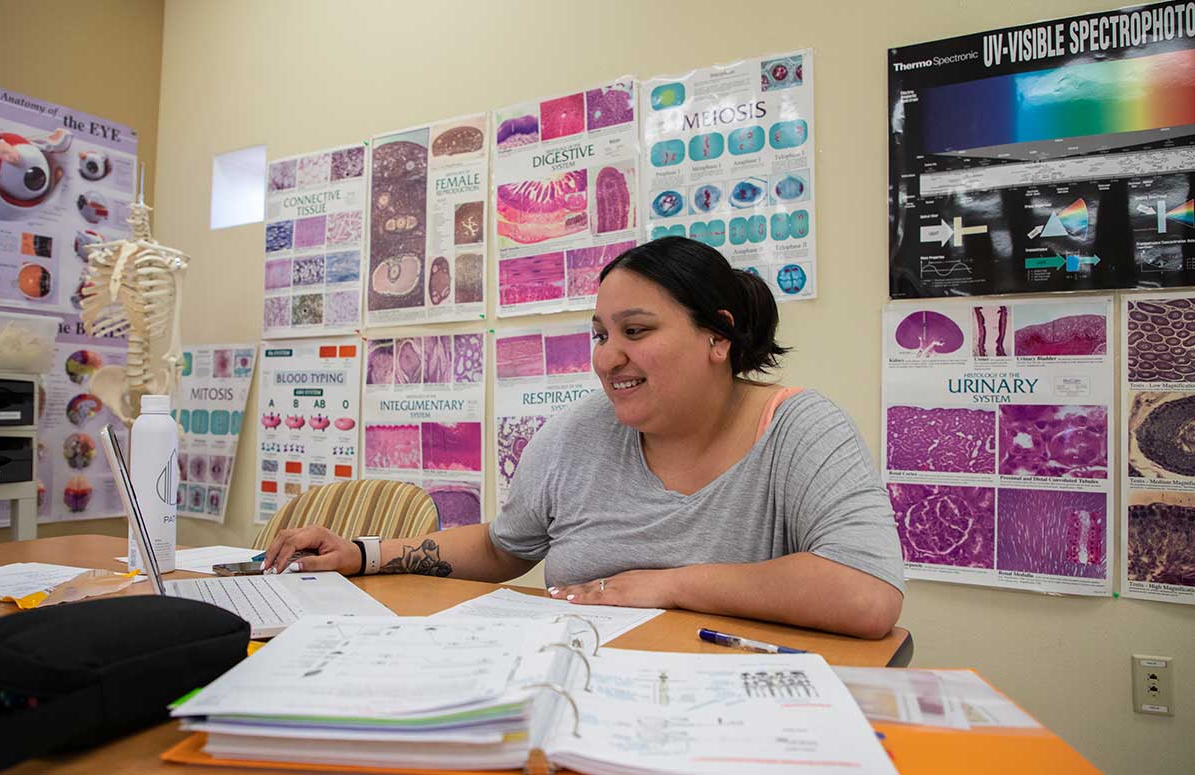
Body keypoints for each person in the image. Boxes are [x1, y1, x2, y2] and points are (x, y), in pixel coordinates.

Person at [265, 236, 905, 639]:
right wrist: (363, 552)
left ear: (719, 337)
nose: (607, 359)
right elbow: (500, 548)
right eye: (600, 335)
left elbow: (866, 593)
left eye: (636, 331)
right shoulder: (576, 433)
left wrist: (671, 582)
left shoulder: (800, 430)